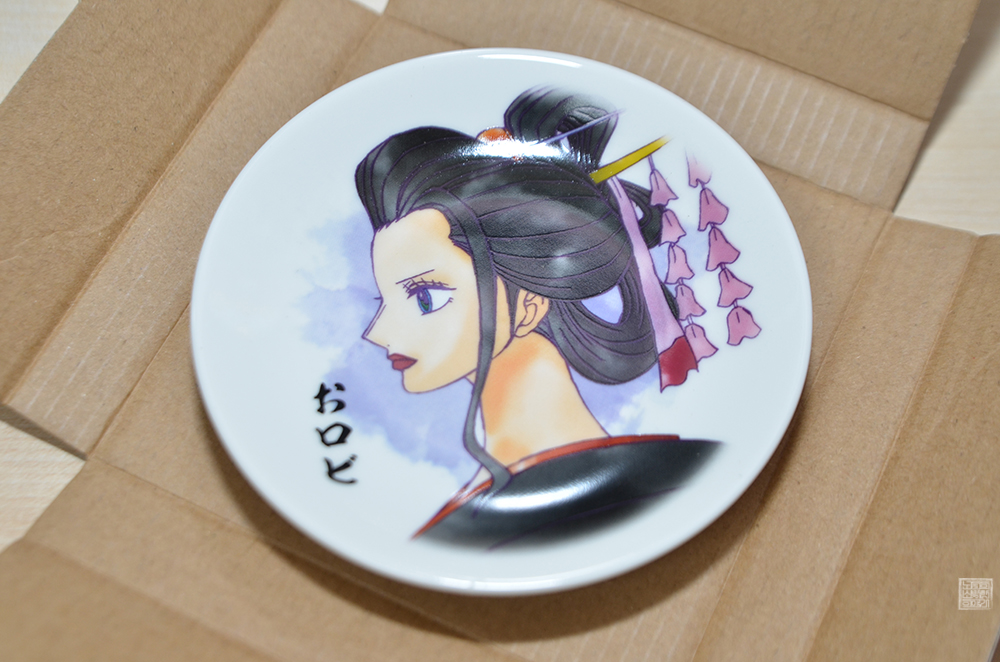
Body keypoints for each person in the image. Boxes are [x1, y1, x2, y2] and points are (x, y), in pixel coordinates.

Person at [355, 88, 718, 548]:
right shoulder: (457, 522)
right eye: (383, 301)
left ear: (529, 304)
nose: (377, 333)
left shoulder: (665, 485)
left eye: (424, 297)